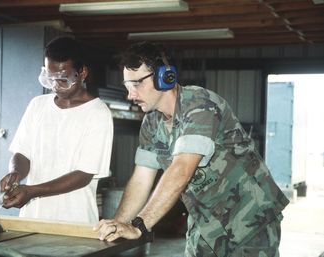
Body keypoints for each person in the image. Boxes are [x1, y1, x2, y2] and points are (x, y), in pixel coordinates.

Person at [95, 42, 289, 257]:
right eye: (127, 86)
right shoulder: (151, 123)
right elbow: (141, 178)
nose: (130, 95)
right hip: (205, 223)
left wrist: (140, 225)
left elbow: (181, 169)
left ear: (164, 77)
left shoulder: (200, 105)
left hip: (251, 219)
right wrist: (119, 225)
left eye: (137, 84)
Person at [0, 36, 113, 224]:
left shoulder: (98, 113)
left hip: (75, 221)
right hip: (32, 219)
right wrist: (16, 173)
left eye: (62, 79)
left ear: (82, 72)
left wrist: (32, 191)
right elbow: (23, 153)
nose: (55, 86)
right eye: (50, 79)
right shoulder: (37, 105)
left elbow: (84, 175)